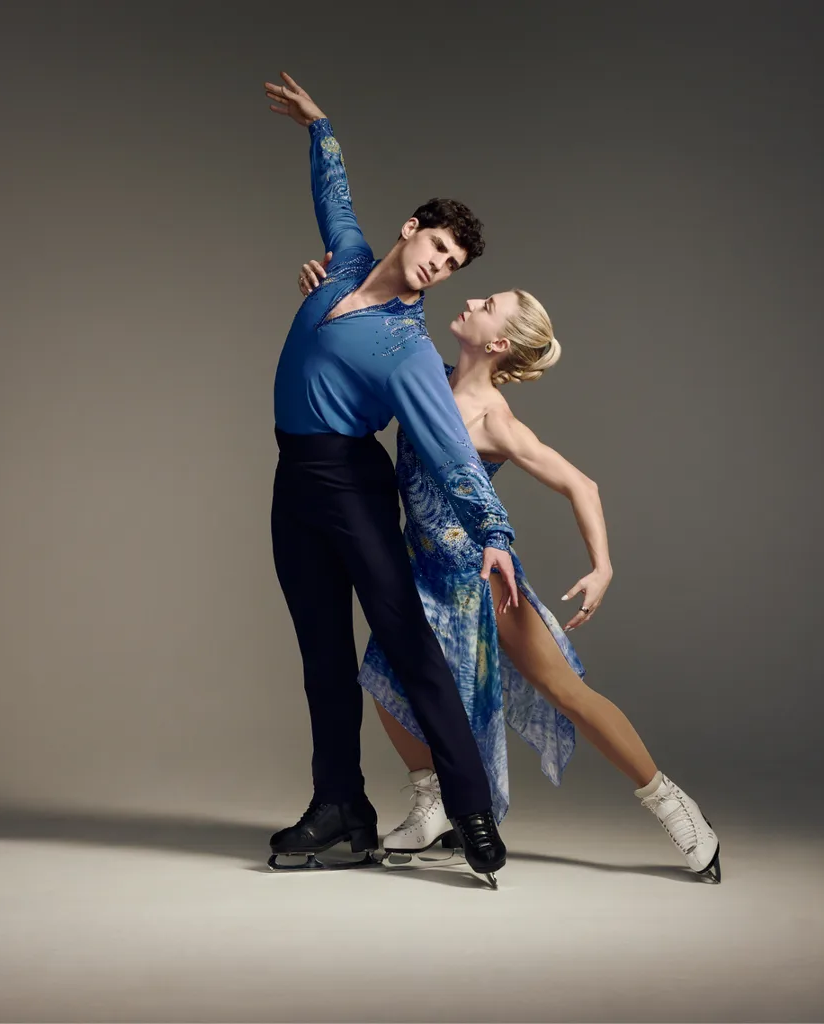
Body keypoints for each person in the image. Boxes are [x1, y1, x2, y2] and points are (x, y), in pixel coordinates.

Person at [296, 259, 722, 883]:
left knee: (565, 691)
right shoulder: (425, 377)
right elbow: (357, 347)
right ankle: (433, 800)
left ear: (497, 344)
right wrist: (328, 298)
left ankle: (673, 806)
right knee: (383, 679)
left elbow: (582, 484)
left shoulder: (495, 420)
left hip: (481, 581)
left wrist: (602, 567)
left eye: (488, 305)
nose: (471, 301)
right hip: (419, 570)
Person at [264, 72, 520, 886]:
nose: (440, 266)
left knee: (408, 643)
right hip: (294, 484)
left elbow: (449, 451)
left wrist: (494, 531)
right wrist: (320, 126)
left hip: (351, 487)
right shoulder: (341, 264)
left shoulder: (408, 349)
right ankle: (339, 806)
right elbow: (334, 198)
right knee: (320, 655)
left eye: (453, 264)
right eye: (437, 247)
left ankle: (470, 810)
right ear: (409, 230)